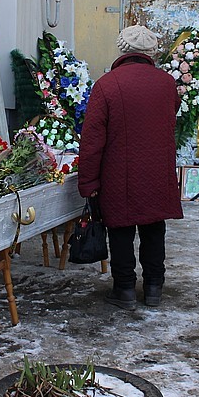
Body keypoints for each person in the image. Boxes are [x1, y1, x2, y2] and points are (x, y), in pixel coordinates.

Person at [77, 25, 183, 310]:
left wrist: (88, 183)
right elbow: (169, 114)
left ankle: (124, 289)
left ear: (122, 50)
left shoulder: (107, 85)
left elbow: (92, 140)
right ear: (150, 52)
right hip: (157, 170)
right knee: (153, 228)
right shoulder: (167, 83)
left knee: (120, 230)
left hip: (118, 174)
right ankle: (153, 288)